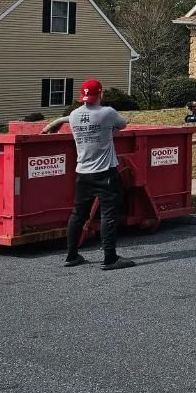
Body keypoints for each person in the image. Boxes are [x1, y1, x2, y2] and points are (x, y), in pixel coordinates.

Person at [63, 79, 134, 270]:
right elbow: (122, 125)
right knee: (108, 215)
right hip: (105, 172)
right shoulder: (107, 112)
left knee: (78, 214)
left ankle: (71, 255)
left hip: (83, 172)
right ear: (100, 94)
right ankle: (110, 258)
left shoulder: (74, 115)